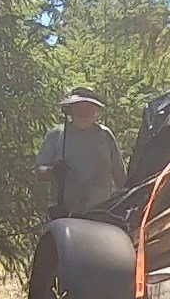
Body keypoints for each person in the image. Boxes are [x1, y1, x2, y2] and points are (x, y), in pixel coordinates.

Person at [35, 87, 126, 217]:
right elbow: (39, 173)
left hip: (102, 212)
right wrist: (53, 171)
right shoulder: (56, 135)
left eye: (88, 108)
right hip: (66, 212)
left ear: (95, 111)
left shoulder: (105, 135)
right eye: (79, 107)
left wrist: (124, 203)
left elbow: (119, 175)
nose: (83, 112)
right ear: (70, 110)